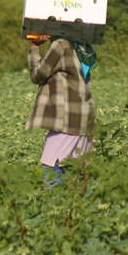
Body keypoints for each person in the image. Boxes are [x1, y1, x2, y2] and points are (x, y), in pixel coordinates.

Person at [26, 34, 97, 187]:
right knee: (78, 173)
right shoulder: (84, 45)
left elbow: (37, 75)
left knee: (52, 170)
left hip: (67, 117)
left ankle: (55, 202)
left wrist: (35, 46)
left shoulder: (61, 45)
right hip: (84, 115)